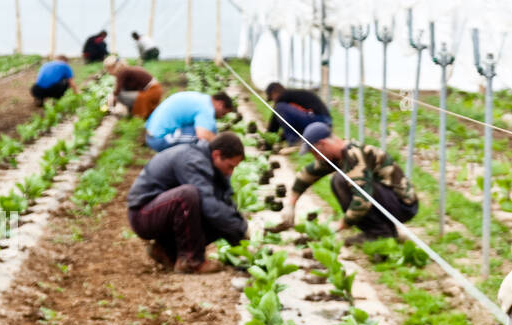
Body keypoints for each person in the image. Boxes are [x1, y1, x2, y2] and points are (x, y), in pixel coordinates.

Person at [127, 131, 248, 273]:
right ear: (216, 155)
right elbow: (209, 205)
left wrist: (242, 230)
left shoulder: (211, 166)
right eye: (230, 166)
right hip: (143, 214)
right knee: (189, 195)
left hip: (159, 212)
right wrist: (242, 228)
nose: (231, 172)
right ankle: (191, 262)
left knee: (220, 215)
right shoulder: (192, 160)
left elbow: (224, 204)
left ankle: (166, 250)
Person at [275, 124, 418, 239]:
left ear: (323, 144)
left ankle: (380, 233)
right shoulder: (335, 155)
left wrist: (339, 226)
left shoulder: (353, 156)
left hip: (403, 205)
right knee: (339, 181)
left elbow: (362, 200)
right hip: (387, 198)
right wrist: (291, 204)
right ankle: (383, 232)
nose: (315, 158)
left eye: (313, 152)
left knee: (340, 181)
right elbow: (307, 174)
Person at [145, 89, 234, 152]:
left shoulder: (202, 99)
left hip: (151, 134)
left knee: (208, 133)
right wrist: (224, 149)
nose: (221, 117)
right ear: (220, 104)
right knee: (200, 139)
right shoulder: (207, 108)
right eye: (223, 113)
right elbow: (203, 135)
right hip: (159, 139)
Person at [264, 81, 332, 146]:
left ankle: (294, 142)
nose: (274, 101)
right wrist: (278, 138)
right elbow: (290, 126)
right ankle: (298, 141)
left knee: (279, 107)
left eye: (272, 98)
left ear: (274, 93)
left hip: (319, 120)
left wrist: (267, 139)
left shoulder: (284, 96)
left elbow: (274, 125)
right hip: (324, 123)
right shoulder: (293, 97)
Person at [103, 56, 163, 120]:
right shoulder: (126, 69)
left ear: (113, 67)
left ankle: (123, 113)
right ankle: (126, 112)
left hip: (151, 93)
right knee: (122, 94)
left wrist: (110, 104)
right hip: (156, 91)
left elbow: (117, 92)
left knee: (120, 96)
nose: (108, 73)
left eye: (108, 69)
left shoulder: (122, 72)